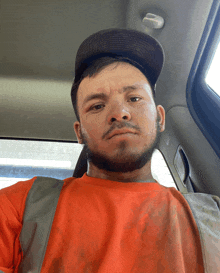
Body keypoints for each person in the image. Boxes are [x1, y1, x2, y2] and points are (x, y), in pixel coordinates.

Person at [0, 28, 218, 273]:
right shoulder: (20, 204)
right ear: (79, 132)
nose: (119, 113)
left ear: (159, 117)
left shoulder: (212, 214)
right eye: (97, 106)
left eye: (134, 98)